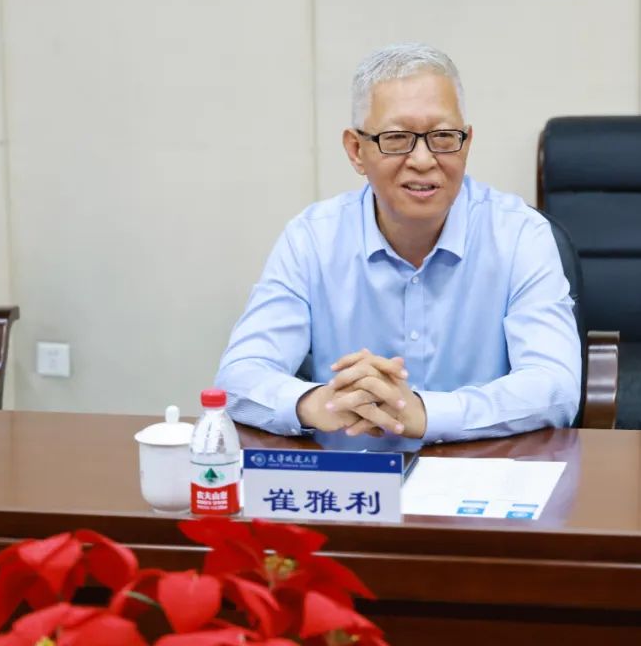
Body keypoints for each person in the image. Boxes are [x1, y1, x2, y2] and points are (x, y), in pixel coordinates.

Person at [214, 43, 580, 450]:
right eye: (397, 138)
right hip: (349, 482)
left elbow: (555, 386)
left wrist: (426, 412)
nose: (423, 160)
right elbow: (238, 377)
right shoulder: (312, 240)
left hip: (483, 478)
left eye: (443, 137)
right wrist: (315, 402)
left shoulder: (520, 235)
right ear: (356, 150)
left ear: (466, 142)